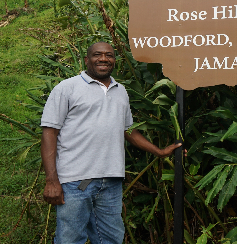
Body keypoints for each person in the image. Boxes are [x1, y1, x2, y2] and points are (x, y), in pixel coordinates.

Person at [40, 41, 182, 244]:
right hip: (76, 181)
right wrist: (51, 180)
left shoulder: (120, 91)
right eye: (98, 55)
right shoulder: (67, 88)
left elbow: (128, 131)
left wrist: (158, 152)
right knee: (70, 239)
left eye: (109, 55)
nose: (104, 59)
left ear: (114, 60)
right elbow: (49, 133)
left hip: (111, 180)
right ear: (87, 59)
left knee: (111, 239)